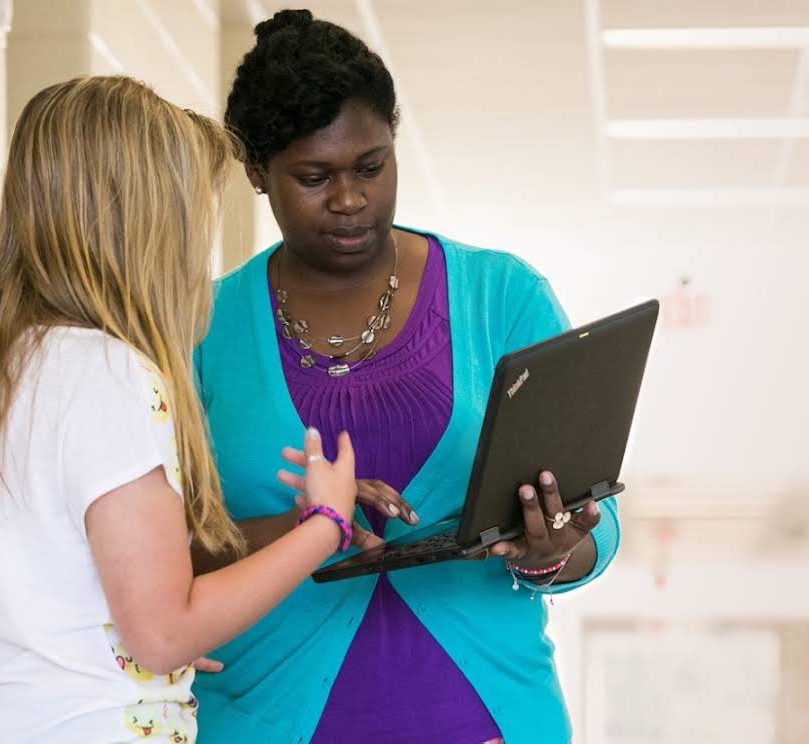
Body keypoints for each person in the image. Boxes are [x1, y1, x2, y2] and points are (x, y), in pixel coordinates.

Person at [0, 75, 360, 744]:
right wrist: (324, 525)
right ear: (147, 230)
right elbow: (163, 633)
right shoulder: (107, 372)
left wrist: (114, 648)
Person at [190, 10, 622, 743]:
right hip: (262, 710)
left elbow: (595, 517)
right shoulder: (199, 327)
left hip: (480, 710)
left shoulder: (501, 297)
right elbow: (153, 555)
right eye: (314, 177)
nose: (351, 199)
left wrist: (554, 550)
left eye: (371, 166)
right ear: (257, 173)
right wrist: (304, 530)